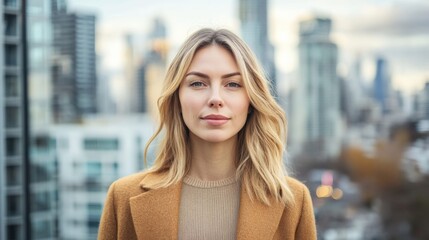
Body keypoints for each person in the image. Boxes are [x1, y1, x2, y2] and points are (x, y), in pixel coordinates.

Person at [98, 28, 317, 240]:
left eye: (232, 84)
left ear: (251, 100)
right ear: (178, 98)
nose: (215, 98)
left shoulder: (294, 201)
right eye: (198, 83)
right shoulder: (123, 196)